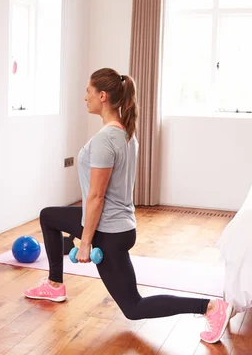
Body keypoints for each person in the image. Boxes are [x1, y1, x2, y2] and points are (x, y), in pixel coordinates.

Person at [23, 68, 234, 344]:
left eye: (88, 90)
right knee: (49, 216)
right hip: (118, 225)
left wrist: (85, 242)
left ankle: (210, 307)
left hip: (107, 231)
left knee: (133, 307)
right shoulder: (125, 133)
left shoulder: (104, 140)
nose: (84, 96)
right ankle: (54, 284)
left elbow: (97, 196)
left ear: (102, 96)